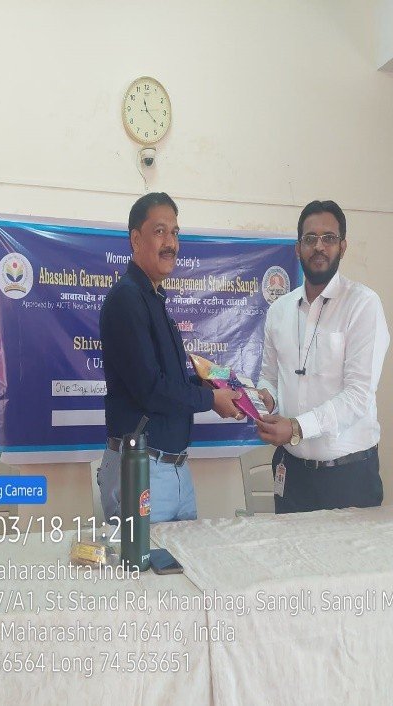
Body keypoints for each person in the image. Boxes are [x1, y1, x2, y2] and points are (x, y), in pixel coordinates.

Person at [98, 192, 242, 523]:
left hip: (174, 469)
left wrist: (219, 385)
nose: (171, 243)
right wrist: (211, 399)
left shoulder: (154, 299)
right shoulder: (126, 300)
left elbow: (169, 381)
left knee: (188, 557)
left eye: (175, 233)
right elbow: (151, 389)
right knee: (143, 560)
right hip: (142, 469)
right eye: (160, 231)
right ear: (136, 239)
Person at [255, 199, 389, 513]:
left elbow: (358, 395)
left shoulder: (363, 305)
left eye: (328, 238)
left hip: (348, 476)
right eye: (310, 238)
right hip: (291, 474)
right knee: (287, 547)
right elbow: (270, 377)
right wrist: (264, 398)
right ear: (297, 248)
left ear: (343, 246)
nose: (319, 246)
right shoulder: (279, 310)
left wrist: (297, 427)